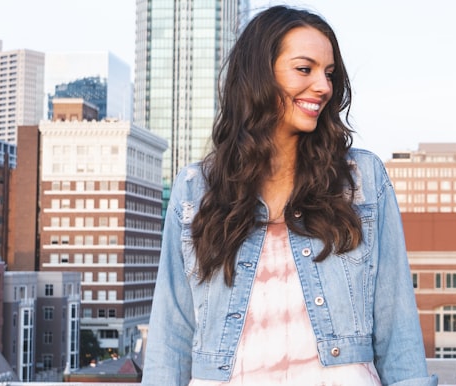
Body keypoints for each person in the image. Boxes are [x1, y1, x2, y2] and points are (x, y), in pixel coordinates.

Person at [142, 6, 436, 386]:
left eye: (329, 74)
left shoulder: (361, 180)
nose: (323, 87)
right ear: (259, 75)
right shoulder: (195, 189)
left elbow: (397, 329)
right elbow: (171, 335)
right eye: (305, 69)